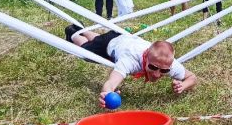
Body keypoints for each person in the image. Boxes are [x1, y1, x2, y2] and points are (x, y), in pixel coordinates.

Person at [64, 24, 197, 106]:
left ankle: (82, 28)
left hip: (123, 38)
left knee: (99, 38)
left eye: (163, 70)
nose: (157, 74)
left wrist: (183, 85)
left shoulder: (169, 63)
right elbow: (111, 82)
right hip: (111, 44)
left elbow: (192, 77)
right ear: (146, 58)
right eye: (153, 67)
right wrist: (106, 93)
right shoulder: (130, 60)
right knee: (87, 51)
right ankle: (72, 32)